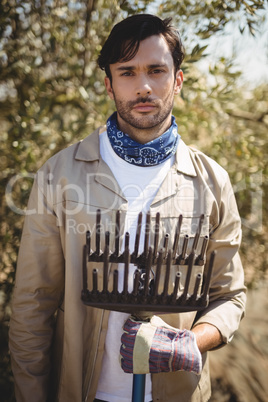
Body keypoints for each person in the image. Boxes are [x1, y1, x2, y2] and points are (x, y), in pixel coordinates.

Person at [9, 14, 246, 402]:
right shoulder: (60, 174)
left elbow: (229, 296)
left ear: (178, 80)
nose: (144, 86)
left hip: (176, 394)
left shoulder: (212, 180)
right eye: (128, 72)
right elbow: (32, 305)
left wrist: (189, 343)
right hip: (83, 392)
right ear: (109, 83)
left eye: (157, 70)